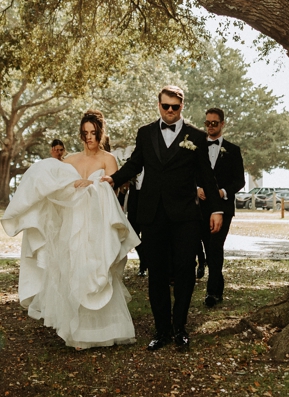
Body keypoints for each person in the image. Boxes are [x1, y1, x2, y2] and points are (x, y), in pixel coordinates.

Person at [1, 110, 140, 349]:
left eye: (93, 133)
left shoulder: (108, 160)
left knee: (96, 272)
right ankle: (76, 330)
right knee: (74, 270)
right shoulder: (71, 160)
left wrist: (93, 184)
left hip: (97, 225)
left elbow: (113, 191)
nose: (89, 138)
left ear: (100, 133)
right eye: (85, 133)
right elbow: (55, 184)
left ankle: (103, 330)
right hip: (73, 224)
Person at [104, 86, 223, 351]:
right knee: (156, 273)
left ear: (182, 107)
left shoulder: (197, 136)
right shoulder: (145, 133)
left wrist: (216, 209)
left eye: (175, 107)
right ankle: (161, 330)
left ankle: (180, 328)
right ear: (159, 105)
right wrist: (114, 178)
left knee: (184, 272)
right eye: (165, 106)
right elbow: (136, 163)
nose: (170, 111)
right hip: (153, 214)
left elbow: (207, 177)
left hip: (186, 217)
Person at [197, 108, 245, 306]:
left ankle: (212, 293)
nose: (210, 126)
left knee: (216, 247)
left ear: (222, 124)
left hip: (223, 208)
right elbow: (189, 174)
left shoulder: (233, 150)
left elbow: (240, 181)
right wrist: (197, 188)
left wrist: (222, 192)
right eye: (207, 123)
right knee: (209, 249)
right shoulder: (196, 148)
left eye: (214, 123)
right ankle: (218, 286)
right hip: (200, 207)